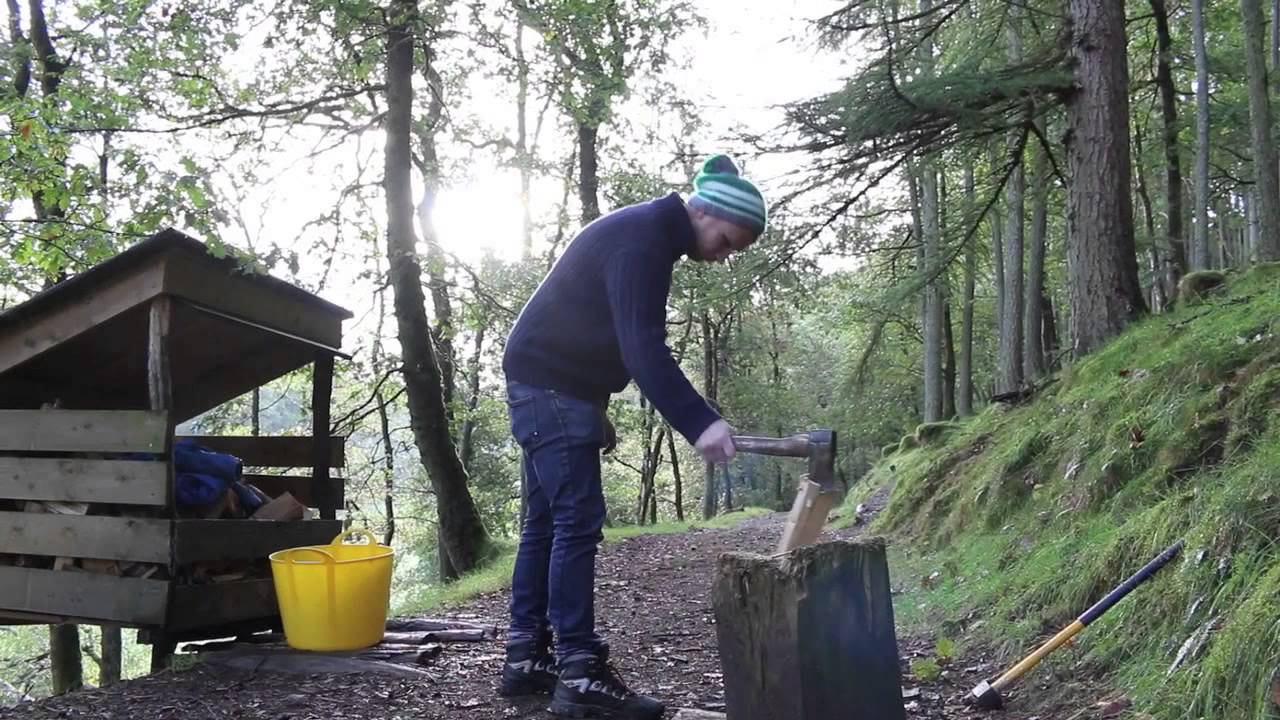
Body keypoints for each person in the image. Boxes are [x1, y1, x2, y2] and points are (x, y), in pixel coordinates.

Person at [498, 154, 768, 719]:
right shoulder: (643, 238)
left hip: (550, 385)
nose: (725, 256)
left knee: (546, 523)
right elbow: (640, 347)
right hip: (551, 388)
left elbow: (605, 333)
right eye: (727, 241)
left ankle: (526, 659)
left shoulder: (647, 235)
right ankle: (578, 671)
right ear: (702, 212)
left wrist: (594, 401)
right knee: (574, 523)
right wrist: (700, 421)